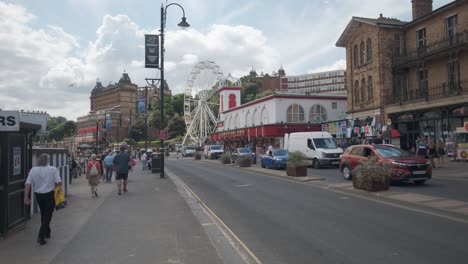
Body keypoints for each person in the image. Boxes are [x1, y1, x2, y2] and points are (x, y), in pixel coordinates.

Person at [24, 153, 62, 245]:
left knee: (44, 214)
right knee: (47, 216)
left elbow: (28, 184)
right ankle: (41, 237)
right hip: (49, 195)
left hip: (38, 195)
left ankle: (47, 232)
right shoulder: (53, 169)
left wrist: (26, 197)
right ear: (48, 160)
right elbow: (59, 182)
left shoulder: (33, 170)